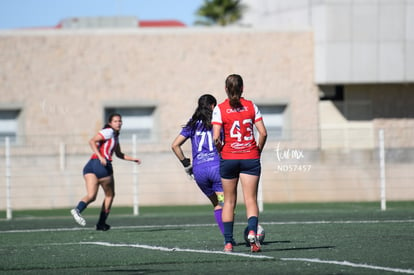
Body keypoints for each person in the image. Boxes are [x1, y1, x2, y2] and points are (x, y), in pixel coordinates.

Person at [212, 74, 267, 253]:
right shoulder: (251, 106)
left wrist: (222, 150)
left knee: (229, 201)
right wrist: (257, 150)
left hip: (229, 158)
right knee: (251, 199)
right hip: (250, 157)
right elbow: (263, 133)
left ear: (226, 89)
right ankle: (252, 232)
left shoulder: (220, 109)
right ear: (243, 88)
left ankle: (228, 243)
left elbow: (215, 138)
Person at [70, 113, 141, 231]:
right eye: (115, 121)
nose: (118, 123)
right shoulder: (108, 132)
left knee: (91, 196)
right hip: (101, 165)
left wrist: (133, 159)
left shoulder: (115, 136)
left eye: (120, 121)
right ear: (110, 123)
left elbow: (119, 154)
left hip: (90, 166)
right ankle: (101, 223)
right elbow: (92, 141)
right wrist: (101, 157)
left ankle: (77, 210)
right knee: (110, 195)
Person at [171, 94, 225, 237]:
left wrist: (186, 165)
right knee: (225, 204)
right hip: (216, 169)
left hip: (199, 171)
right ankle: (229, 239)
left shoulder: (192, 123)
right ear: (213, 106)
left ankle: (227, 238)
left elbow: (175, 145)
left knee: (217, 205)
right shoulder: (218, 121)